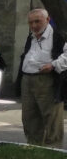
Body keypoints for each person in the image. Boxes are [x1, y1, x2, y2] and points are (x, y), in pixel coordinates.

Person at [17, 8, 67, 146]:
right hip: (27, 80)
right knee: (29, 117)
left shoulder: (58, 36)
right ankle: (34, 147)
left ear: (47, 19)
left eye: (37, 21)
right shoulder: (31, 37)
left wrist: (54, 65)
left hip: (47, 80)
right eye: (30, 22)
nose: (34, 25)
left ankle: (53, 150)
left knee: (52, 118)